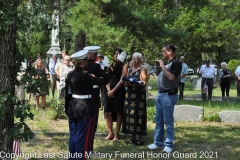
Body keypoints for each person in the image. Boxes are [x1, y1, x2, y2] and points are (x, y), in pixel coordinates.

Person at [65, 50, 109, 160]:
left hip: (73, 108)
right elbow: (104, 81)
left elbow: (68, 94)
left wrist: (67, 109)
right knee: (82, 137)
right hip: (84, 108)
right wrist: (107, 71)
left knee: (73, 136)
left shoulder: (70, 75)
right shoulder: (87, 75)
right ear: (84, 62)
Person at [147, 44, 182, 153]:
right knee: (159, 120)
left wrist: (162, 66)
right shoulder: (168, 64)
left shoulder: (176, 63)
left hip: (169, 95)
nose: (162, 54)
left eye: (163, 51)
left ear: (170, 51)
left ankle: (169, 144)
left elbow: (171, 78)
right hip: (160, 94)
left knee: (168, 121)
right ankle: (157, 142)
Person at [121, 52, 147, 145]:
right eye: (133, 58)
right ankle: (132, 135)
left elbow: (143, 83)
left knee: (139, 115)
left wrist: (134, 83)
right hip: (130, 95)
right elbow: (124, 80)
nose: (135, 60)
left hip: (139, 96)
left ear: (140, 60)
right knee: (130, 114)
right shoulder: (129, 69)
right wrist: (127, 82)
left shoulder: (142, 69)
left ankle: (140, 137)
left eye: (137, 59)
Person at [83, 46, 106, 150]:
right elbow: (106, 78)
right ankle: (88, 149)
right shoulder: (95, 66)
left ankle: (81, 148)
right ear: (93, 55)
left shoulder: (80, 65)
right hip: (93, 99)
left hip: (80, 101)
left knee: (82, 127)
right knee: (91, 127)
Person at [104, 49, 127, 141]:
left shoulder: (124, 66)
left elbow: (122, 80)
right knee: (107, 112)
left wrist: (113, 91)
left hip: (118, 90)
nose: (116, 56)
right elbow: (106, 78)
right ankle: (110, 133)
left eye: (118, 54)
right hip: (109, 91)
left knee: (118, 112)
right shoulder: (110, 65)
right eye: (115, 54)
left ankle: (117, 134)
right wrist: (109, 90)